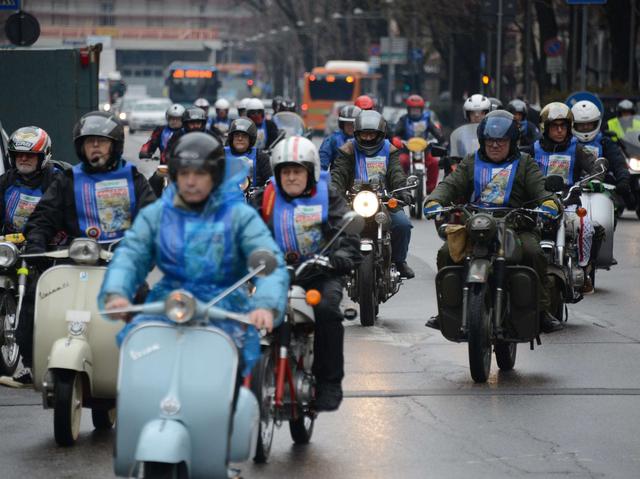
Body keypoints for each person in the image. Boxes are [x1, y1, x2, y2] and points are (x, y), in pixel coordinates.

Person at [100, 132, 289, 379]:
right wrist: (117, 292)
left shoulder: (239, 216)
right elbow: (131, 255)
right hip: (170, 303)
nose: (191, 181)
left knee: (238, 377)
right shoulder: (157, 215)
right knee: (139, 361)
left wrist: (265, 304)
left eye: (199, 174)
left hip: (226, 306)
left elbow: (268, 259)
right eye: (184, 173)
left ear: (215, 176)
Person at [14, 112, 155, 386]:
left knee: (145, 301)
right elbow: (44, 217)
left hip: (120, 260)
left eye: (101, 142)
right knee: (34, 298)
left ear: (114, 145)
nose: (95, 147)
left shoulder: (134, 179)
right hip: (73, 259)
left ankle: (141, 369)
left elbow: (152, 221)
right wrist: (36, 244)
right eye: (89, 142)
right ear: (81, 146)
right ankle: (32, 364)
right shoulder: (68, 179)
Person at [424, 110, 564, 333]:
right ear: (482, 140)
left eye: (501, 140)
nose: (495, 145)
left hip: (516, 226)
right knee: (445, 253)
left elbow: (542, 190)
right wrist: (434, 200)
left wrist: (548, 203)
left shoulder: (525, 163)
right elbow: (450, 184)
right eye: (490, 140)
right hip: (476, 224)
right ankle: (448, 310)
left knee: (533, 252)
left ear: (512, 142)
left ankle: (541, 311)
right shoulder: (471, 161)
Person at [261, 136, 361, 411]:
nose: (291, 177)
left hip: (320, 271)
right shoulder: (267, 198)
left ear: (311, 172)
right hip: (276, 273)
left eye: (297, 171)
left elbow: (346, 231)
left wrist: (338, 258)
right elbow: (246, 231)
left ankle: (328, 382)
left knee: (328, 310)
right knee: (250, 312)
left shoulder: (327, 195)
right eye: (285, 172)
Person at [0, 127, 62, 387]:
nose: (23, 160)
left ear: (43, 157)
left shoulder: (57, 181)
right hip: (12, 246)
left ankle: (33, 362)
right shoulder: (6, 182)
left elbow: (63, 214)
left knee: (40, 301)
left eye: (30, 156)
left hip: (47, 249)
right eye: (18, 156)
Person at [522, 101, 602, 294]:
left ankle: (583, 269)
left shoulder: (577, 149)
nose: (559, 131)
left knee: (586, 225)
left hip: (568, 204)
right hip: (539, 205)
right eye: (554, 126)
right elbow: (518, 168)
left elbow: (595, 167)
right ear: (545, 127)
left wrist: (596, 176)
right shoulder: (532, 150)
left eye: (563, 126)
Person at [331, 110, 415, 279]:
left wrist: (403, 190)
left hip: (383, 199)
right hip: (354, 200)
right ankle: (339, 262)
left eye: (372, 134)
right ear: (357, 134)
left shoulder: (390, 150)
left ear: (380, 134)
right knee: (336, 225)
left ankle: (399, 261)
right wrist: (333, 192)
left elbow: (397, 173)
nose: (368, 138)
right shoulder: (347, 150)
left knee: (402, 224)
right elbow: (338, 174)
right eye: (364, 134)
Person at [571, 100, 632, 212]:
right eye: (581, 125)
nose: (585, 128)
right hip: (571, 190)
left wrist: (623, 180)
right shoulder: (567, 143)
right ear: (573, 124)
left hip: (601, 189)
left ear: (596, 123)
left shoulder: (605, 142)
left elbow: (619, 162)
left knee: (612, 214)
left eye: (589, 124)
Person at [393, 94, 443, 192]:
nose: (415, 112)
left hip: (424, 150)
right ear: (408, 109)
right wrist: (396, 139)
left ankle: (430, 188)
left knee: (434, 162)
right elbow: (396, 132)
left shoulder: (427, 119)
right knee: (401, 162)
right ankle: (402, 187)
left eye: (417, 109)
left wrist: (442, 140)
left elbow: (435, 131)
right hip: (407, 151)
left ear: (421, 109)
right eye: (413, 109)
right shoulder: (403, 119)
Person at [225, 118, 272, 192]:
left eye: (244, 135)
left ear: (251, 139)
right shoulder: (221, 154)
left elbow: (270, 183)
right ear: (232, 138)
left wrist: (259, 193)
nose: (240, 138)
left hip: (253, 200)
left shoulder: (261, 156)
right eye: (237, 135)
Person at [319, 105, 361, 171]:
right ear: (342, 124)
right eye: (347, 124)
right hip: (339, 179)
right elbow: (322, 165)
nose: (350, 127)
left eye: (353, 124)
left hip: (363, 179)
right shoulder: (332, 140)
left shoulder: (366, 140)